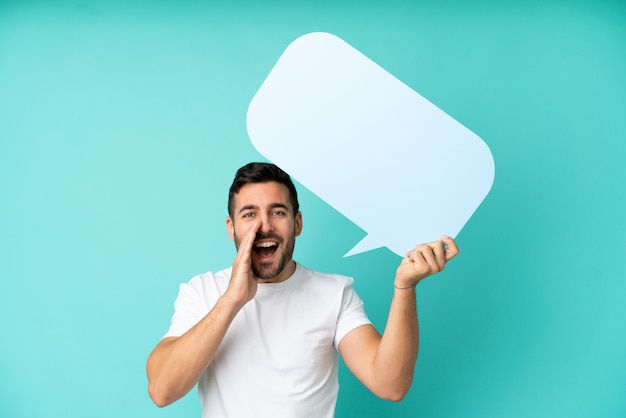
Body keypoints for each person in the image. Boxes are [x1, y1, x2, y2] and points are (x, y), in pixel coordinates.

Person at [146, 162, 459, 417]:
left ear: (297, 223)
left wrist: (404, 287)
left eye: (277, 212)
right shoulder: (202, 292)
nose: (264, 226)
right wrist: (231, 300)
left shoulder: (334, 294)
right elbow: (161, 391)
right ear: (232, 228)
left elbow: (390, 384)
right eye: (250, 214)